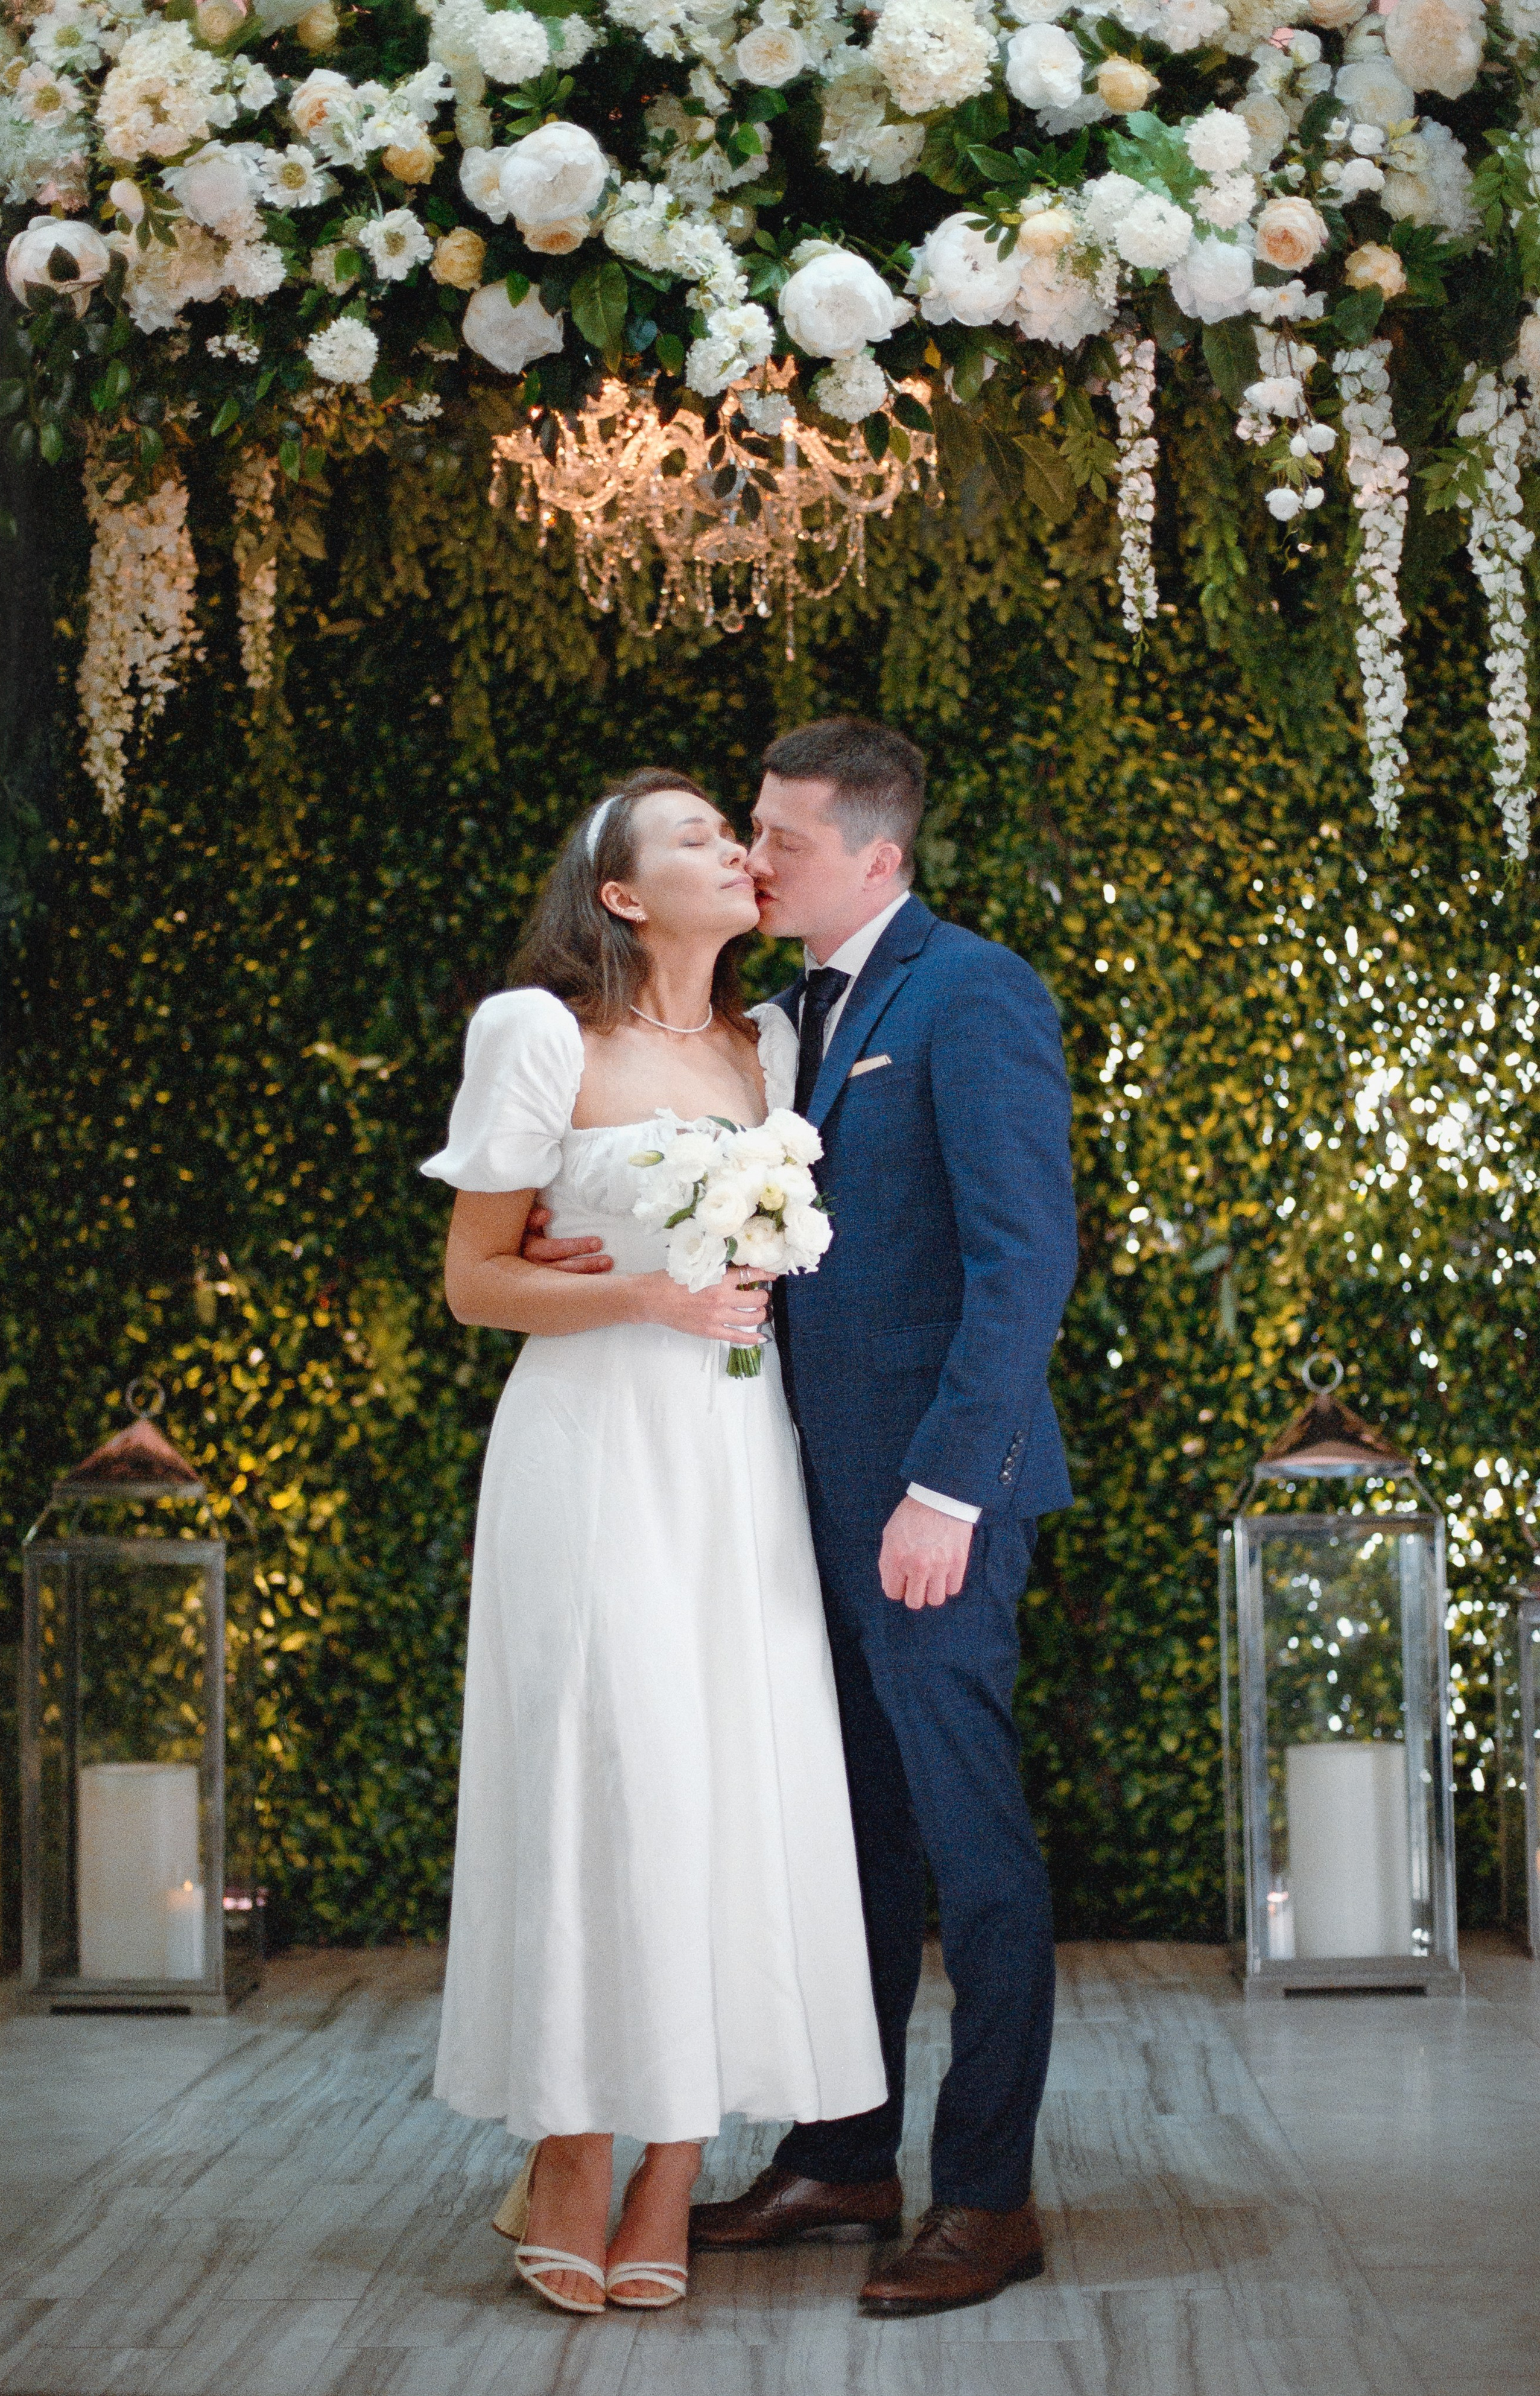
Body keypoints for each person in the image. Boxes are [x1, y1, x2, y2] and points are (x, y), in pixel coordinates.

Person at [525, 720, 1078, 2318]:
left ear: (876, 856)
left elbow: (1021, 1257)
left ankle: (989, 2193)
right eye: (744, 831)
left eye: (783, 836)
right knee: (853, 1841)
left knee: (972, 1846)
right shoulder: (792, 1020)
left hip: (929, 1505)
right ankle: (845, 2150)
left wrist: (946, 1488)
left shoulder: (971, 993)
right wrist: (595, 1247)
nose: (757, 858)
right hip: (786, 1499)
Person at [422, 766, 886, 2318]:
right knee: (598, 1777)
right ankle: (567, 2149)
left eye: (737, 833)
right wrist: (636, 1289)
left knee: (722, 1784)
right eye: (696, 835)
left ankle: (674, 2168)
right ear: (620, 895)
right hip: (591, 1448)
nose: (736, 853)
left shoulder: (773, 1045)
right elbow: (477, 1283)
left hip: (736, 1455)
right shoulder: (537, 1032)